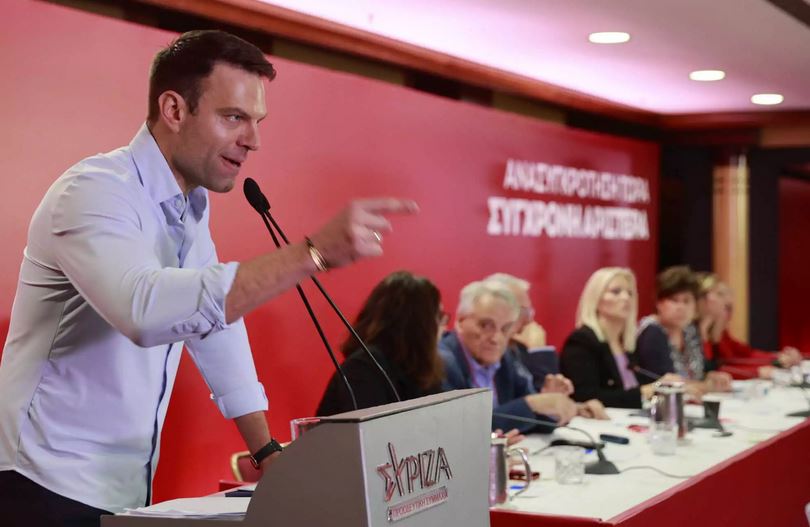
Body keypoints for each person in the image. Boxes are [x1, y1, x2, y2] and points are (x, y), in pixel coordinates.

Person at [0, 30, 416, 525]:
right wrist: (311, 254)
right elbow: (144, 311)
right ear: (174, 110)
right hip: (39, 483)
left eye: (257, 121)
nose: (253, 140)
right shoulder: (93, 191)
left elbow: (214, 326)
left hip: (120, 487)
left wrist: (266, 451)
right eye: (234, 117)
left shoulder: (189, 207)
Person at [439, 281, 606, 434]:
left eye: (505, 328)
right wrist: (533, 404)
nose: (496, 338)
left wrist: (551, 405)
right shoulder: (442, 362)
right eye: (486, 326)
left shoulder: (506, 358)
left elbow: (532, 419)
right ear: (460, 321)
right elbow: (459, 429)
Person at [316, 271, 446, 415]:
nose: (444, 326)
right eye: (439, 316)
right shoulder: (363, 368)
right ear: (421, 324)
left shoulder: (420, 369)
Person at [559, 267, 680, 409]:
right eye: (616, 292)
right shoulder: (581, 341)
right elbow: (585, 396)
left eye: (630, 293)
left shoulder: (628, 344)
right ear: (596, 298)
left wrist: (662, 385)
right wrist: (647, 391)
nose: (626, 298)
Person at [636, 266, 731, 396]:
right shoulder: (652, 333)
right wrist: (706, 386)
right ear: (659, 303)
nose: (680, 307)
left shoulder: (690, 330)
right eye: (674, 300)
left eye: (686, 301)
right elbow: (665, 382)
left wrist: (711, 376)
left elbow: (700, 371)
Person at [696, 273, 802, 378]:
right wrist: (758, 371)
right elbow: (709, 369)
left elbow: (745, 354)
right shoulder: (695, 330)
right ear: (703, 299)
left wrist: (778, 358)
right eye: (720, 295)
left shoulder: (717, 331)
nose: (725, 301)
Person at [483, 273, 572, 394]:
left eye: (529, 312)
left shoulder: (517, 350)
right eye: (522, 311)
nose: (528, 320)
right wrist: (539, 352)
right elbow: (530, 400)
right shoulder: (485, 352)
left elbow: (547, 398)